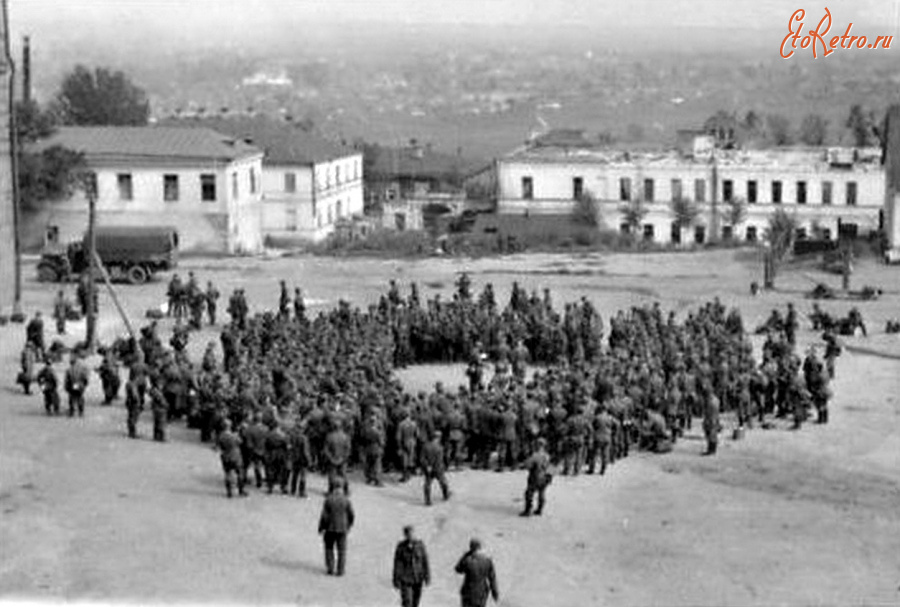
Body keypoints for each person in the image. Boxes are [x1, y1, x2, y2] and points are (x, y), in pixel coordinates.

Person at [318, 479, 355, 576]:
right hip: (342, 529)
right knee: (342, 550)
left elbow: (324, 516)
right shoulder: (346, 500)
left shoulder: (329, 499)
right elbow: (351, 515)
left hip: (330, 528)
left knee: (329, 548)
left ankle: (330, 567)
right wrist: (349, 525)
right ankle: (340, 570)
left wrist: (321, 527)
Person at [392, 525, 430, 607]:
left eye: (412, 533)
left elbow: (425, 562)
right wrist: (396, 579)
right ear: (405, 535)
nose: (410, 536)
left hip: (418, 579)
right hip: (405, 580)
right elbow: (397, 564)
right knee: (407, 603)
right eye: (408, 534)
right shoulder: (401, 547)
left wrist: (427, 577)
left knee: (415, 603)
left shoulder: (420, 546)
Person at [455, 538, 499, 607]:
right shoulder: (487, 561)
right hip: (481, 594)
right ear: (480, 547)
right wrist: (495, 593)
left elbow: (458, 569)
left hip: (468, 594)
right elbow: (492, 579)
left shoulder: (467, 560)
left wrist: (465, 555)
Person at [520, 437, 552, 517]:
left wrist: (524, 462)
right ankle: (540, 509)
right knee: (542, 493)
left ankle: (528, 510)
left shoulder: (535, 455)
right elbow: (552, 467)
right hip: (545, 477)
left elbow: (528, 465)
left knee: (529, 493)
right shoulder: (547, 456)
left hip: (535, 477)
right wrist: (549, 477)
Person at [218, 419, 247, 498]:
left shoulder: (221, 436)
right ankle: (241, 490)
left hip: (225, 456)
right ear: (229, 426)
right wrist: (237, 433)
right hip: (235, 456)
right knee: (240, 473)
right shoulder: (233, 436)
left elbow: (220, 446)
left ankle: (229, 491)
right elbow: (240, 442)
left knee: (227, 473)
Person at [421, 431, 451, 506]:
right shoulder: (440, 448)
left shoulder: (425, 446)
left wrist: (427, 466)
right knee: (443, 482)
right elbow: (440, 460)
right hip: (438, 468)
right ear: (437, 438)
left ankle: (427, 500)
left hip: (428, 469)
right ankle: (446, 495)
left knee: (427, 484)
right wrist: (446, 466)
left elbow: (422, 458)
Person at [64, 352, 90, 417]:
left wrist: (66, 387)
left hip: (72, 385)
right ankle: (81, 412)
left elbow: (67, 380)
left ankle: (72, 412)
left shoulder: (69, 369)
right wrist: (85, 385)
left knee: (72, 398)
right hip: (80, 385)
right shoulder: (82, 368)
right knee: (80, 398)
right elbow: (85, 378)